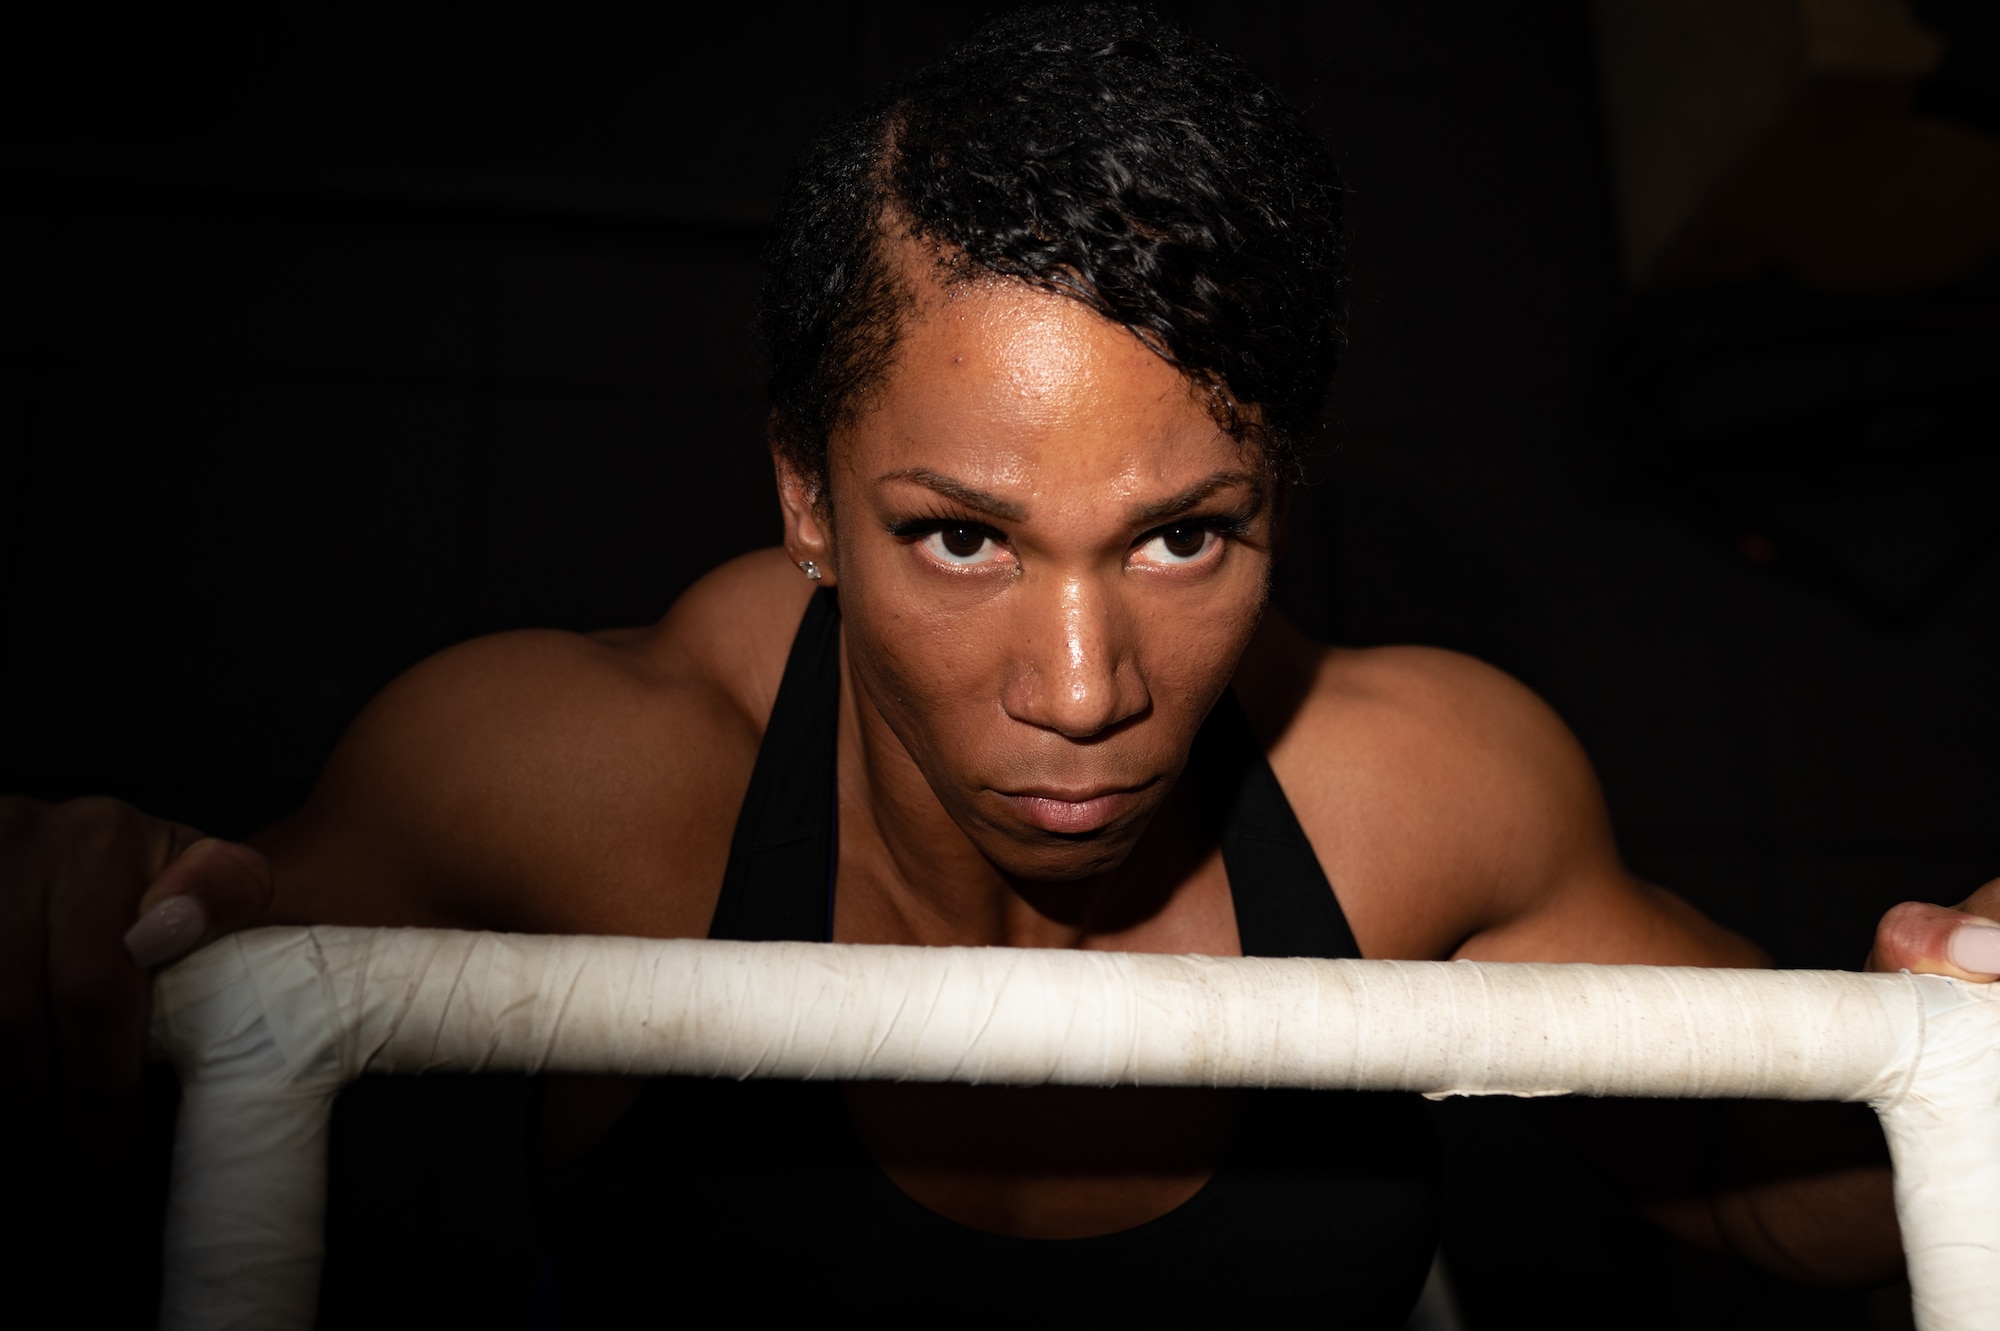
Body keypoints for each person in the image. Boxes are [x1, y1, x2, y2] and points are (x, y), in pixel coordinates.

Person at [6, 4, 1997, 1323]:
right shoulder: (570, 771)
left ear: (1281, 500)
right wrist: (64, 937)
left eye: (1180, 536)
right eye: (960, 536)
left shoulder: (1424, 791)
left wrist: (1971, 1046)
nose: (1079, 687)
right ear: (805, 494)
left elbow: (1775, 1193)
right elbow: (145, 1045)